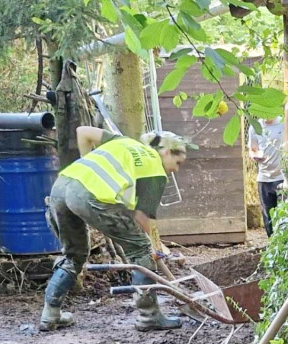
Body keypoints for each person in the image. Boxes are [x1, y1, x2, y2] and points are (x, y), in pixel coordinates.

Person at [40, 126, 188, 332]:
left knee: (74, 254)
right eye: (178, 162)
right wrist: (157, 246)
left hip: (62, 187)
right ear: (165, 152)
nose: (176, 170)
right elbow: (144, 217)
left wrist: (88, 170)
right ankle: (149, 316)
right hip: (87, 195)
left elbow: (83, 131)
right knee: (141, 250)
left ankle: (50, 314)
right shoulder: (154, 166)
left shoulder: (123, 141)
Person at [248, 116, 285, 237]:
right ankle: (272, 245)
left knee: (283, 214)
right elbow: (252, 149)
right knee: (268, 217)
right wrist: (254, 155)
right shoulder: (255, 127)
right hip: (264, 177)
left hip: (282, 176)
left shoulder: (283, 123)